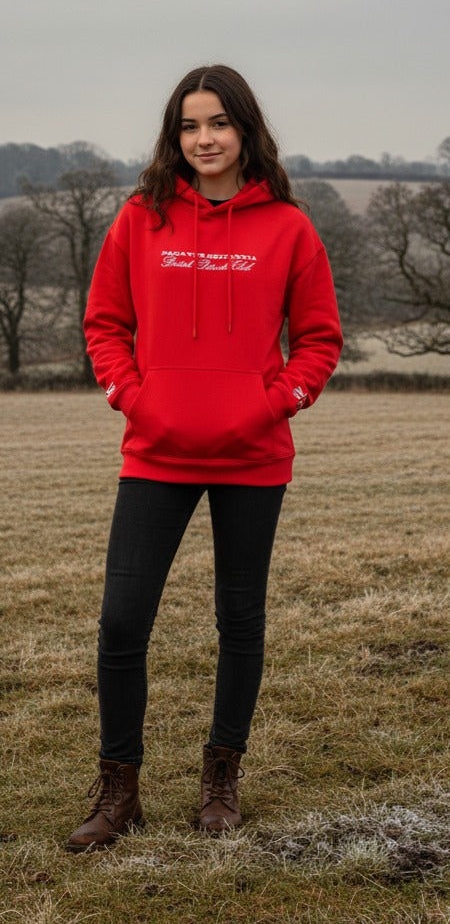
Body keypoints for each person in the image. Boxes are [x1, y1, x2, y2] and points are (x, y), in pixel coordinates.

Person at [66, 64, 343, 852]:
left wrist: (270, 403)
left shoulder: (288, 227)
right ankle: (119, 789)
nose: (204, 138)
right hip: (156, 450)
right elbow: (104, 324)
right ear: (174, 137)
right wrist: (134, 397)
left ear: (245, 130)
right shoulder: (139, 219)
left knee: (239, 617)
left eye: (218, 122)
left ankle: (222, 776)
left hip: (253, 454)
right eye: (189, 125)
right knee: (122, 619)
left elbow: (319, 339)